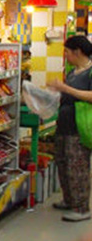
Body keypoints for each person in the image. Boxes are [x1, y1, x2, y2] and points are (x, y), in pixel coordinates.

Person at [48, 35, 92, 221]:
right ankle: (69, 200)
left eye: (67, 52)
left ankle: (82, 208)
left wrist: (66, 89)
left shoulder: (89, 72)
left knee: (77, 167)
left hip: (79, 127)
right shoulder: (73, 72)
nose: (65, 55)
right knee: (63, 163)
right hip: (64, 125)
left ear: (78, 52)